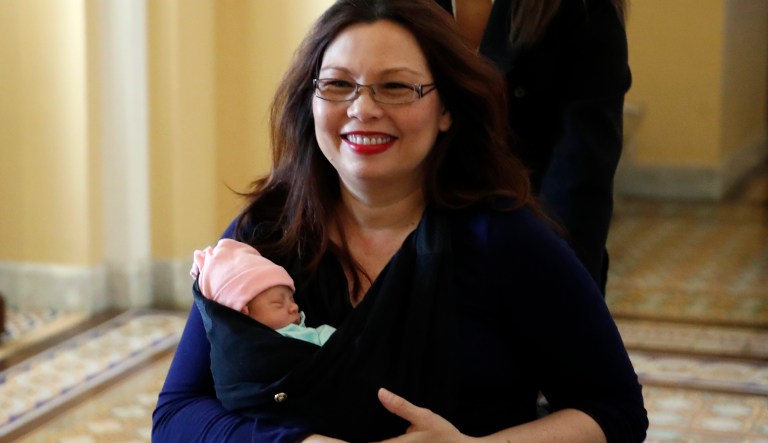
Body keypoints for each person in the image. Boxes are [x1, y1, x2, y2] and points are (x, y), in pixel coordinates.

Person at [152, 0, 648, 441]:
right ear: (310, 98)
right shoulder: (262, 236)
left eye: (395, 87)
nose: (362, 109)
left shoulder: (506, 239)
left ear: (447, 110)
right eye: (338, 85)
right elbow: (176, 414)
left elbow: (616, 411)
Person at [436, 0, 631, 294]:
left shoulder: (585, 9)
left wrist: (561, 298)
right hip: (403, 252)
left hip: (519, 257)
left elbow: (578, 183)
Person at [191, 238, 336, 346]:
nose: (294, 307)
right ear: (245, 313)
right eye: (278, 303)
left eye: (292, 300)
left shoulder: (310, 334)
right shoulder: (245, 348)